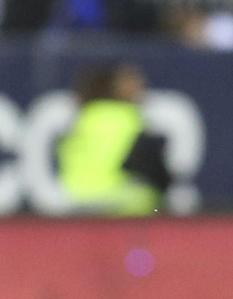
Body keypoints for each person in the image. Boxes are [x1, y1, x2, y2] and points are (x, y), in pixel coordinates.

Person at [57, 62, 171, 216]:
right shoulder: (129, 118)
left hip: (78, 199)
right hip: (122, 200)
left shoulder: (83, 118)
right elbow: (152, 168)